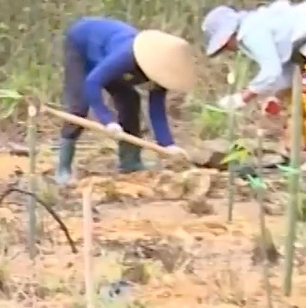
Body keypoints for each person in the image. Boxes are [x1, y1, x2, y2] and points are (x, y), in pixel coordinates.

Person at [53, 18, 198, 184]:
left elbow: (156, 110)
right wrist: (107, 121)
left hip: (106, 55)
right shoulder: (126, 57)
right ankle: (62, 168)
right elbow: (93, 82)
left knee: (130, 100)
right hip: (81, 45)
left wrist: (168, 145)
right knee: (78, 107)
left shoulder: (160, 73)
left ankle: (129, 161)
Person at [204, 0, 306, 170]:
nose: (229, 49)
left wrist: (242, 98)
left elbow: (271, 71)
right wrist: (275, 96)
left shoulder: (251, 32)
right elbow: (287, 69)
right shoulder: (260, 24)